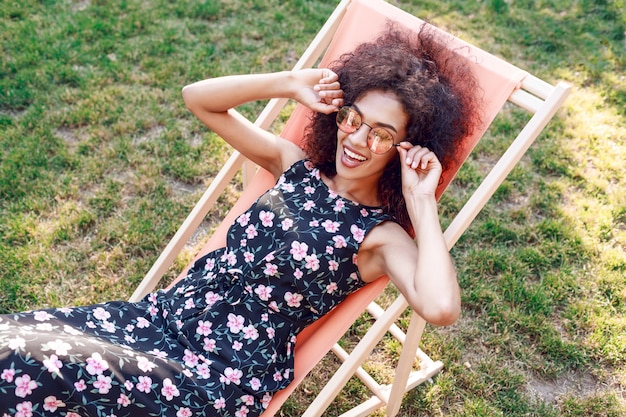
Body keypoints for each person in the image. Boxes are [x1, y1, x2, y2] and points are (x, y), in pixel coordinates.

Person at [0, 24, 481, 417]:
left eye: (381, 135)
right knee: (11, 341)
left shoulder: (379, 236)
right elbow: (199, 98)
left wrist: (422, 203)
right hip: (158, 319)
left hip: (215, 374)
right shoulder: (294, 166)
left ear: (403, 149)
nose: (356, 140)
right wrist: (290, 83)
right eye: (353, 119)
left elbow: (439, 308)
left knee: (23, 362)